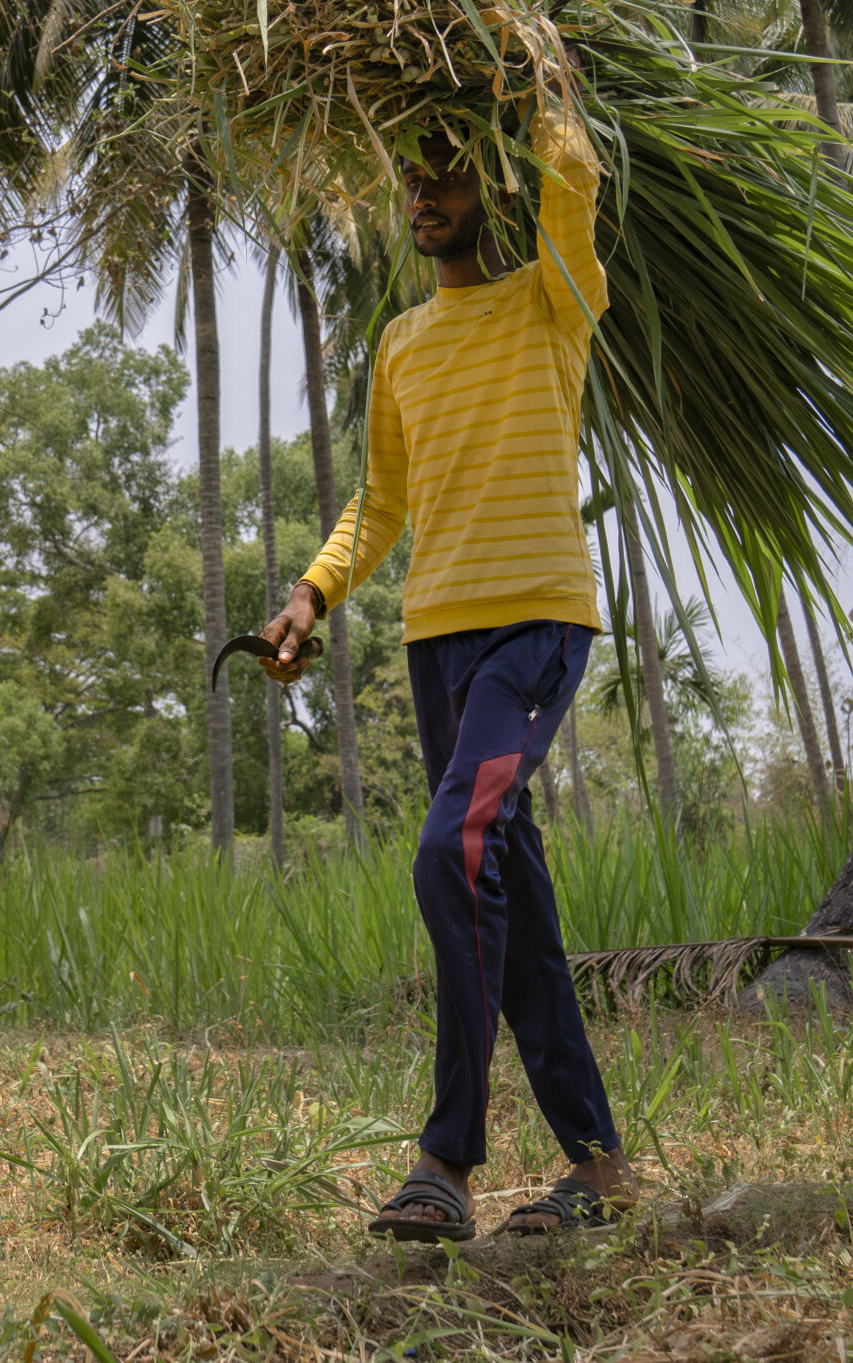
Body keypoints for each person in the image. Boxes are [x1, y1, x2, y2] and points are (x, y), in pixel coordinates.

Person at [257, 120, 637, 1241]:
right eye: (411, 175)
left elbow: (574, 186)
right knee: (509, 909)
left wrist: (544, 87)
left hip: (536, 627)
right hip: (439, 642)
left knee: (452, 851)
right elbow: (380, 504)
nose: (423, 191)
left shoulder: (552, 301)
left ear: (495, 185)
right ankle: (600, 1169)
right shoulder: (402, 344)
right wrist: (312, 596)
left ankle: (444, 1158)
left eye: (448, 171)